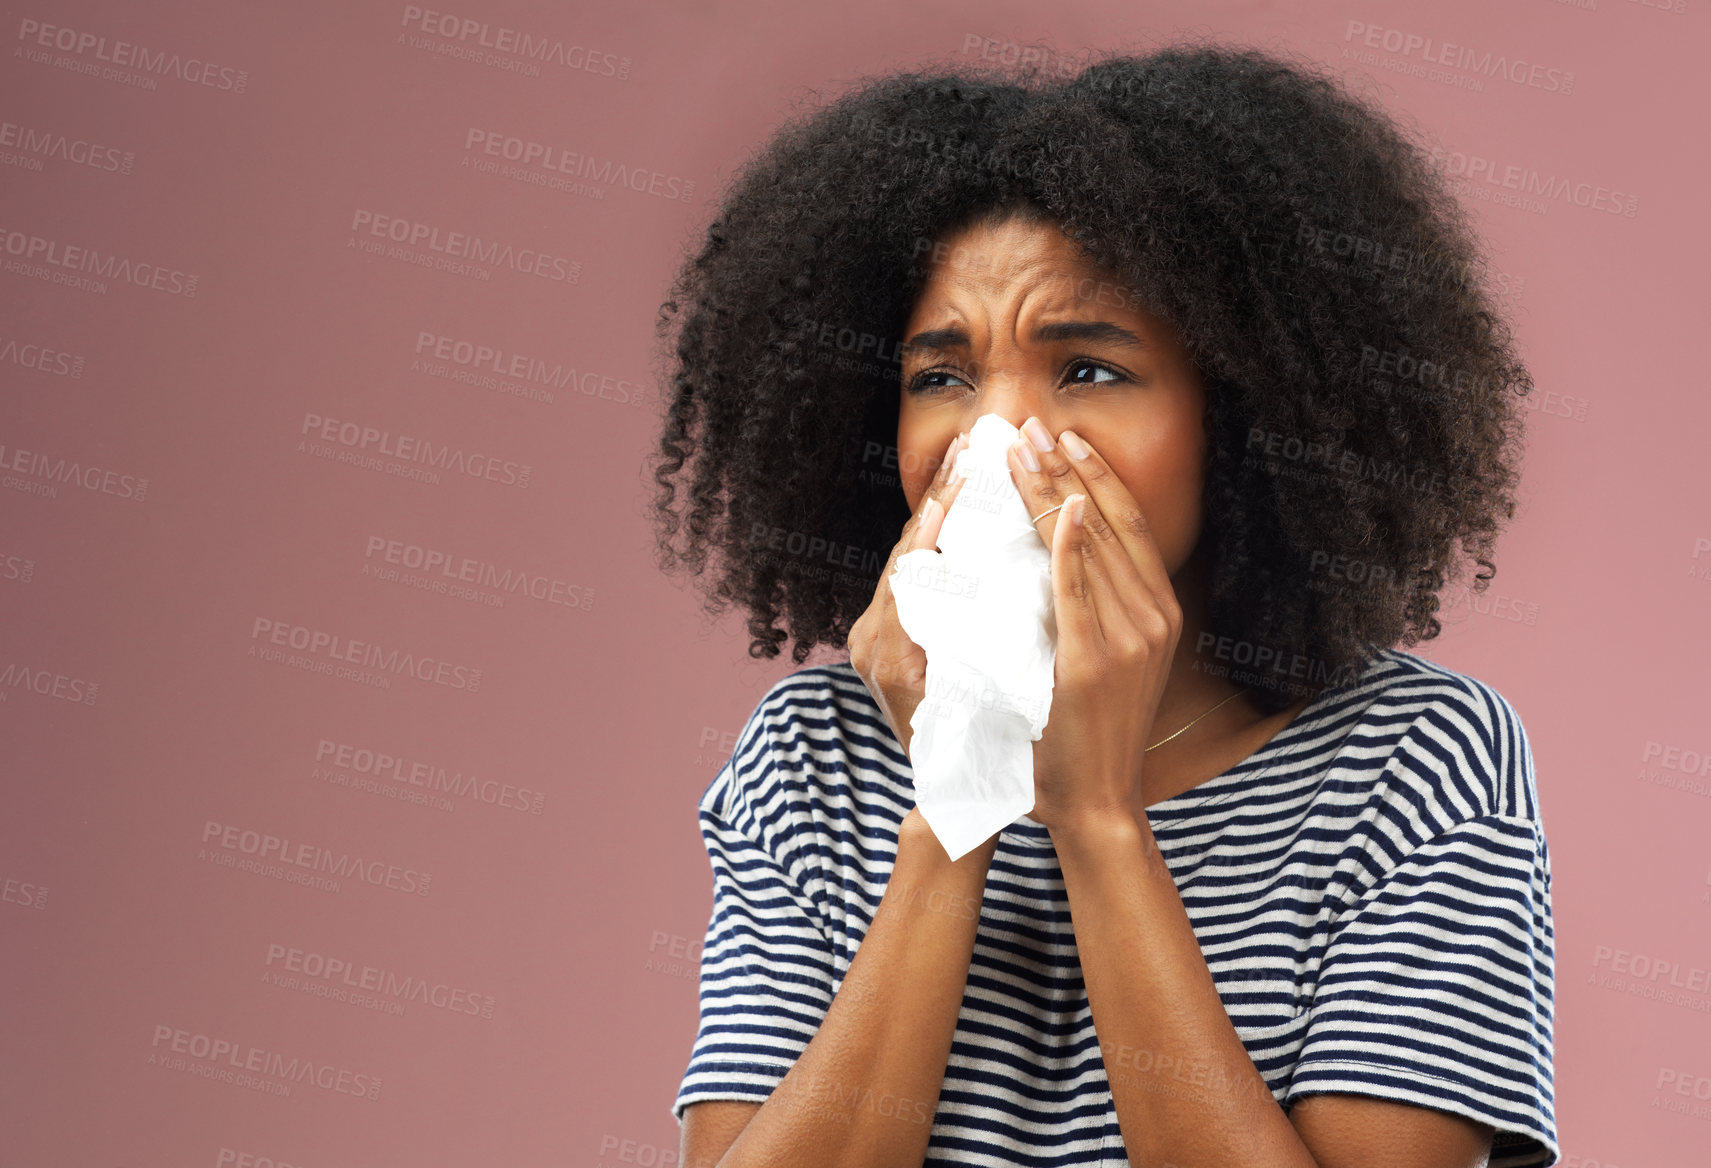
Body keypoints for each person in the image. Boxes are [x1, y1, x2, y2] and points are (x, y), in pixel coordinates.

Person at [647, 41, 1556, 1168]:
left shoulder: (1418, 761)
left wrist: (1097, 819)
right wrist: (958, 788)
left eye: (1086, 369)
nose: (995, 440)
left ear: (1241, 422)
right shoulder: (810, 757)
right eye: (942, 376)